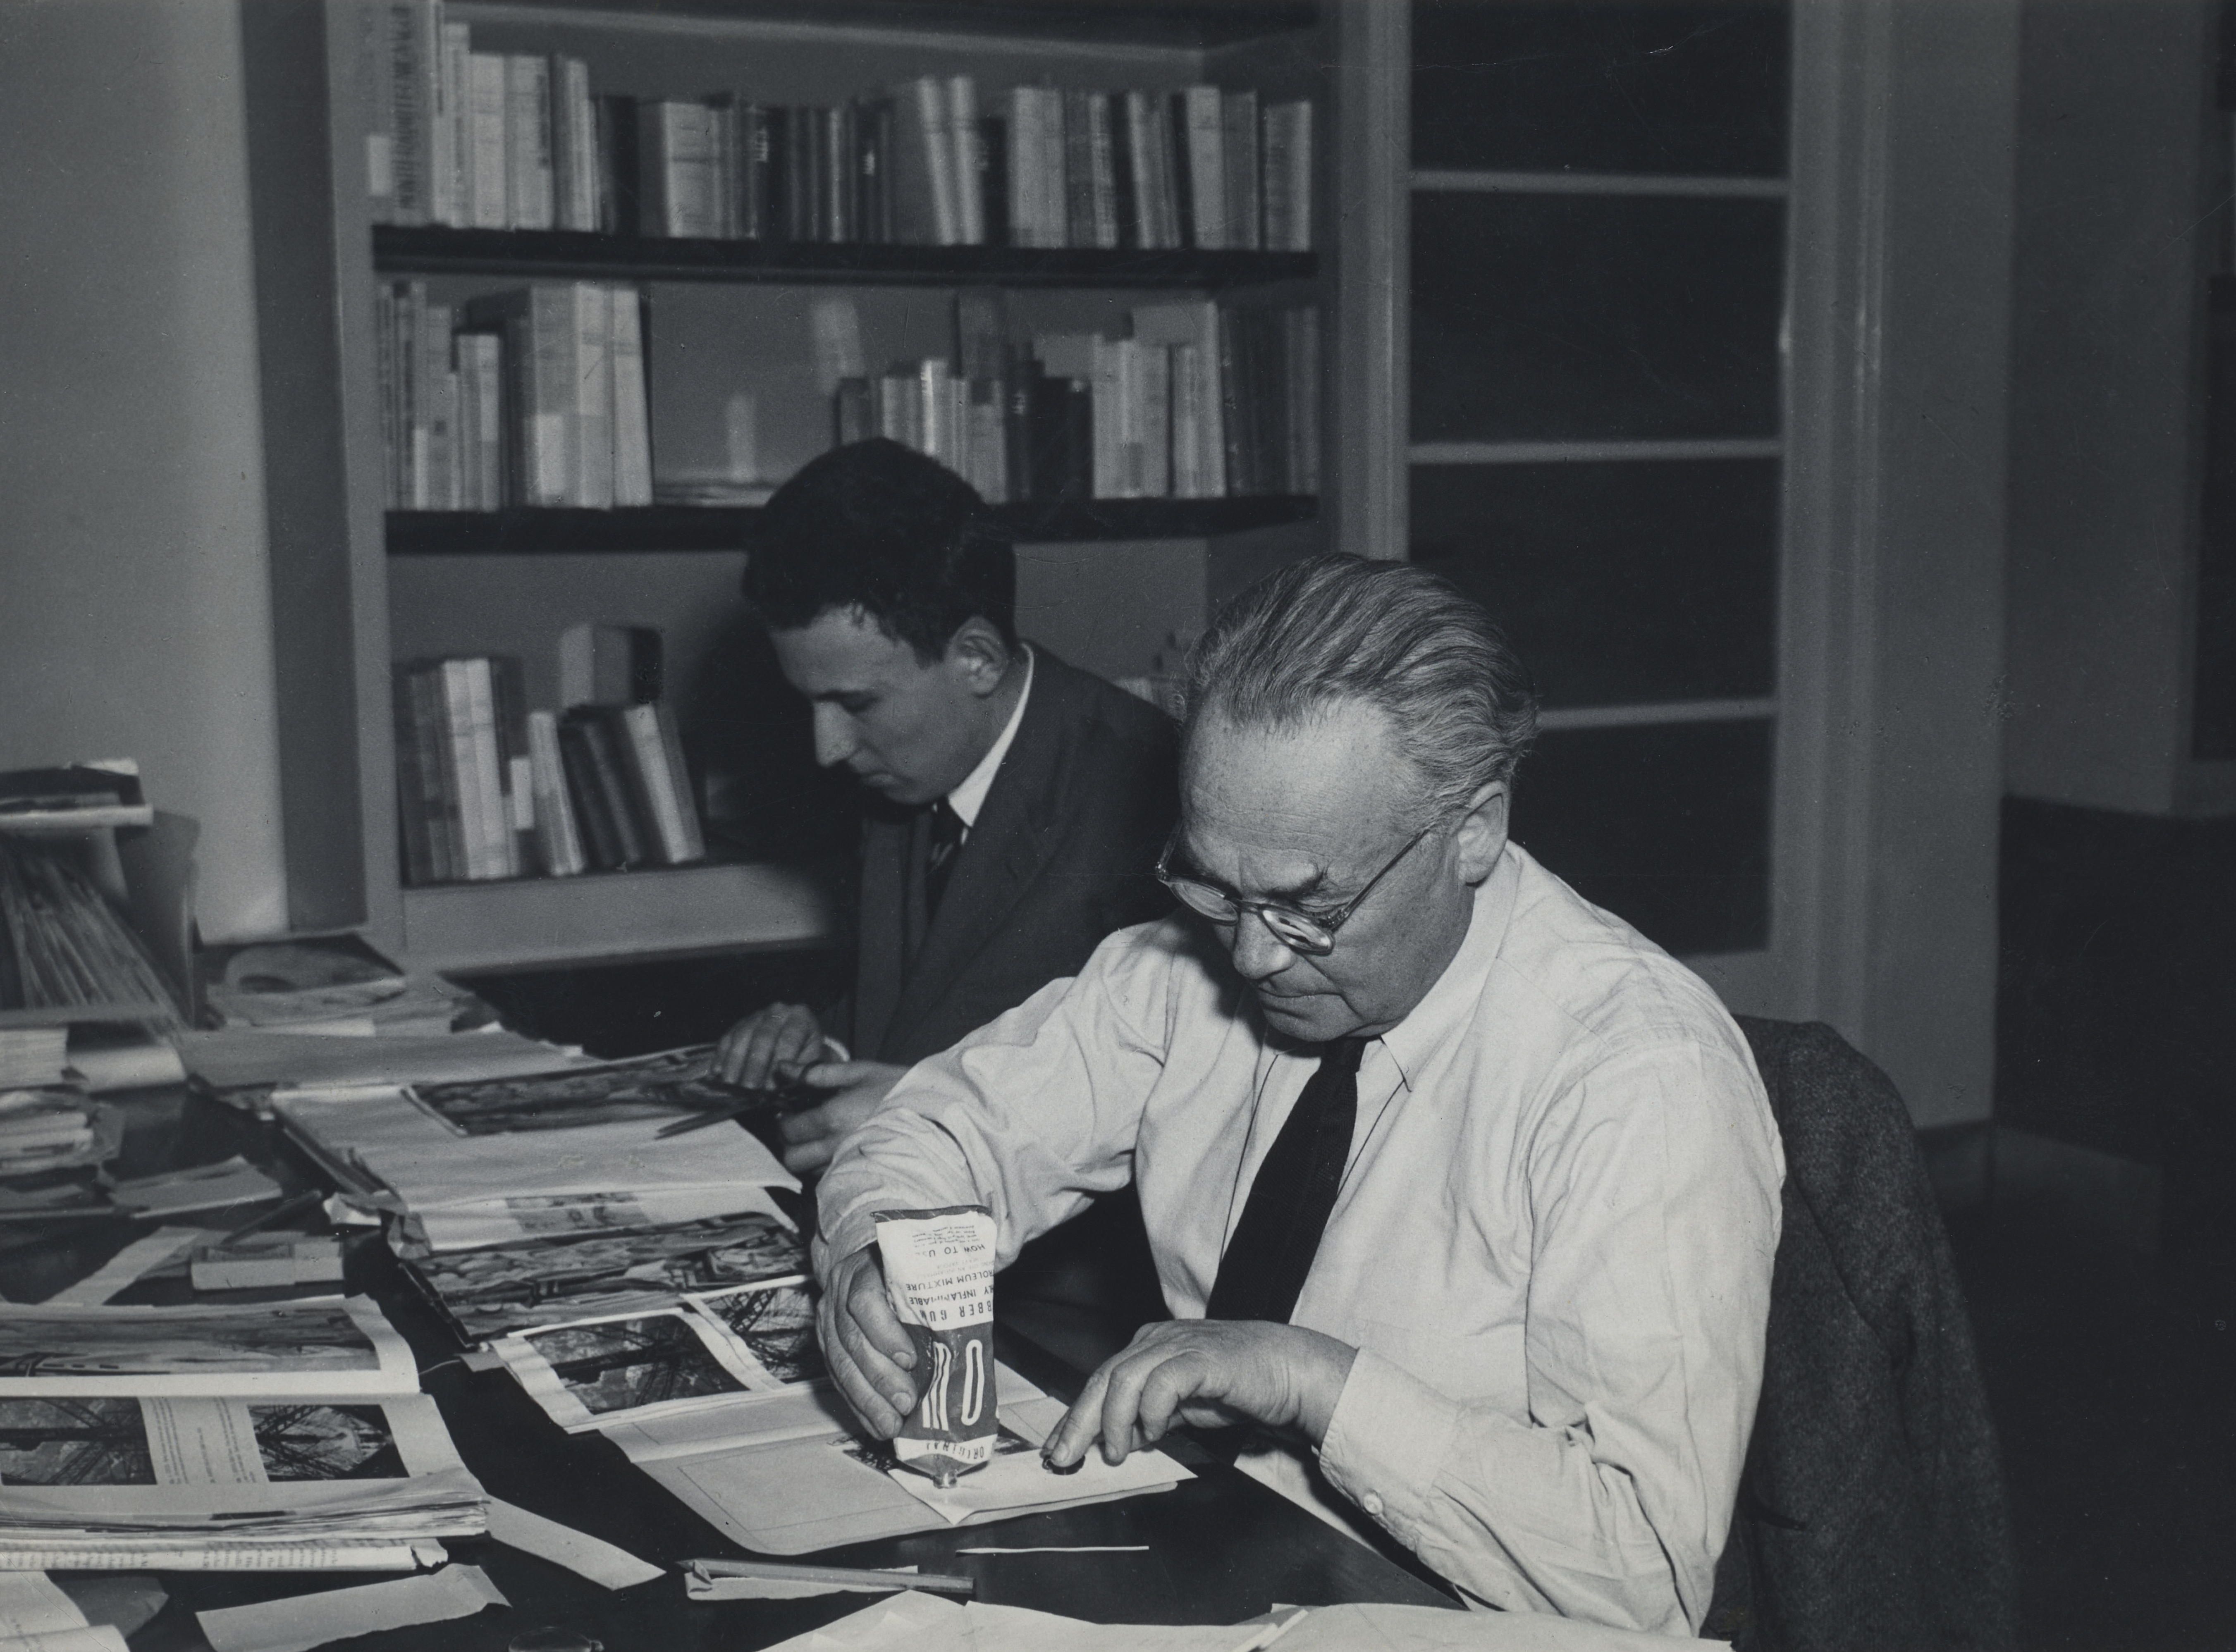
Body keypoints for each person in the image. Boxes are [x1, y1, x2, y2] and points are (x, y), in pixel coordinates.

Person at [810, 552, 1785, 1636]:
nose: (1255, 959)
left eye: (1307, 907)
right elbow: (942, 1125)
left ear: (1476, 831)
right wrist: (877, 1255)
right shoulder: (1193, 963)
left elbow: (1641, 1572)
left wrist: (1312, 1379)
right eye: (1215, 884)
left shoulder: (1636, 1077)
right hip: (1224, 1558)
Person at [717, 438, 1178, 1183]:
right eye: (809, 703)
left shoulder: (1151, 801)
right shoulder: (912, 765)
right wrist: (820, 1049)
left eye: (855, 704)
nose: (827, 749)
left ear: (978, 659)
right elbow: (931, 1011)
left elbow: (1183, 1118)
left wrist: (930, 1112)